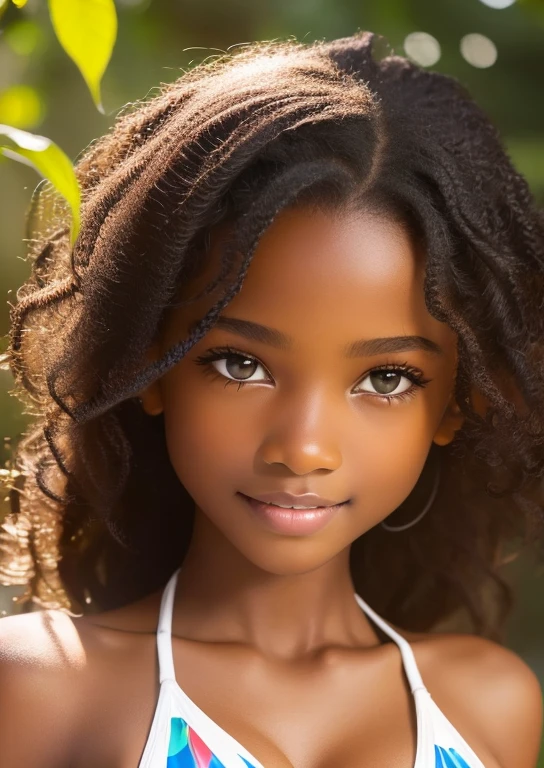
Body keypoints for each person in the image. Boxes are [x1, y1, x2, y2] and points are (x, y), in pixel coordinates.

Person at [0, 30, 543, 768]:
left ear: (455, 405)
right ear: (152, 368)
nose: (304, 446)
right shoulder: (41, 684)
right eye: (239, 364)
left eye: (387, 379)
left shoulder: (489, 702)